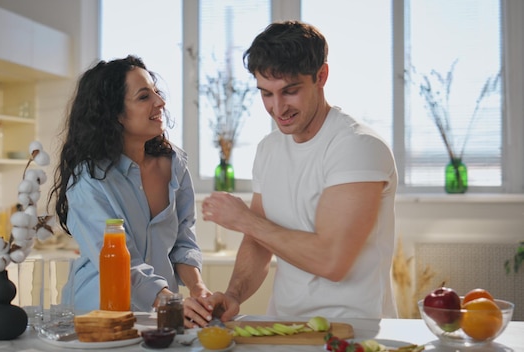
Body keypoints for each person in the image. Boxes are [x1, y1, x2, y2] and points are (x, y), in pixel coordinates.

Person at [191, 20, 398, 324]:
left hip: (353, 331)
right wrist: (234, 294)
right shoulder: (269, 149)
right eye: (266, 94)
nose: (278, 108)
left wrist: (244, 219)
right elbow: (259, 241)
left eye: (289, 91)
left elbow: (331, 261)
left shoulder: (357, 146)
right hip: (285, 327)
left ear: (321, 76)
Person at [48, 56, 212, 324]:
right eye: (144, 96)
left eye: (156, 93)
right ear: (115, 114)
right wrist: (169, 302)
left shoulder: (175, 165)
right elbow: (118, 260)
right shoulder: (88, 179)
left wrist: (197, 288)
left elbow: (183, 241)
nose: (160, 102)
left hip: (163, 314)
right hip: (98, 315)